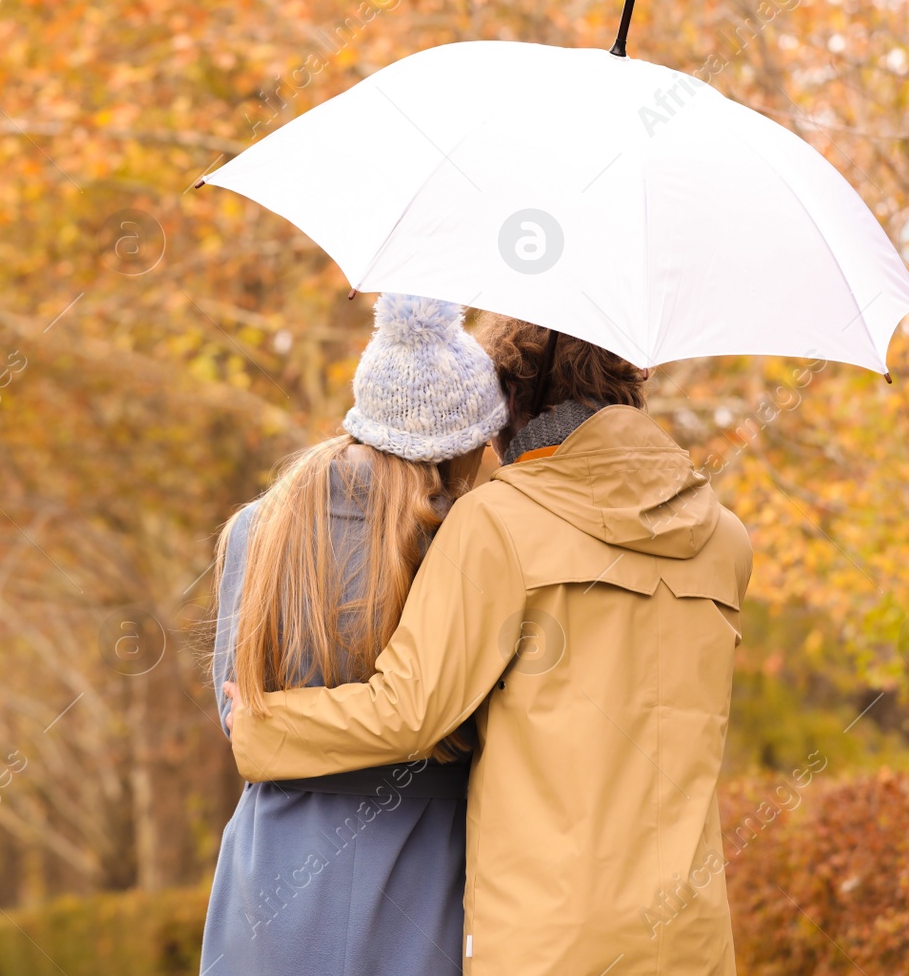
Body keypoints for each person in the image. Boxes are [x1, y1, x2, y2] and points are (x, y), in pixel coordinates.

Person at [227, 317, 753, 976]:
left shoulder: (498, 521)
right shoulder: (726, 540)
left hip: (547, 940)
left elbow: (410, 709)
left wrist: (262, 726)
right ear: (632, 382)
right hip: (692, 937)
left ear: (505, 405)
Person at [201, 294, 508, 976]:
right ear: (460, 447)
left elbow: (234, 712)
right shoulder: (464, 545)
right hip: (424, 863)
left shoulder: (261, 529)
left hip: (274, 866)